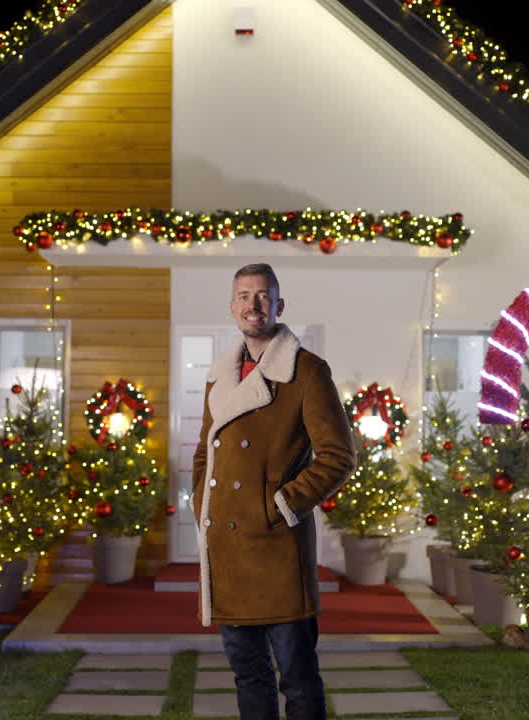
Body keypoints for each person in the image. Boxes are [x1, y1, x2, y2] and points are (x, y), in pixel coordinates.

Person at [191, 263, 356, 720]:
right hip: (227, 545)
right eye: (244, 296)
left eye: (263, 295)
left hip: (278, 547)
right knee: (248, 677)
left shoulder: (307, 372)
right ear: (232, 307)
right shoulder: (219, 376)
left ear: (279, 305)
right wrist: (201, 501)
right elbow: (205, 455)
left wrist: (281, 505)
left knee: (298, 679)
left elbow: (338, 457)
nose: (253, 304)